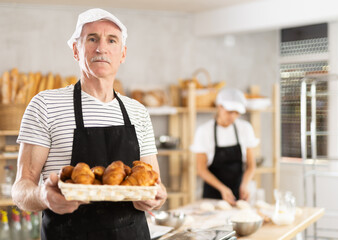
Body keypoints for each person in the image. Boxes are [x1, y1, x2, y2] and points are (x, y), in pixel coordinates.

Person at [11, 8, 167, 240]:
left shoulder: (138, 112)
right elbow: (21, 190)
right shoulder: (45, 105)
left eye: (111, 40)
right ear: (76, 49)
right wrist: (44, 197)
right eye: (92, 38)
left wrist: (157, 197)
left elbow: (155, 183)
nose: (101, 48)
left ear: (122, 53)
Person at [190, 88, 259, 205]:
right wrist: (223, 188)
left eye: (237, 113)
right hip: (212, 196)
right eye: (229, 111)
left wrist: (245, 185)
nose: (233, 116)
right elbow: (201, 169)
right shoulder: (204, 131)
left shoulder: (245, 128)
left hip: (239, 193)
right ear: (219, 107)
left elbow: (251, 165)